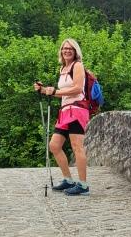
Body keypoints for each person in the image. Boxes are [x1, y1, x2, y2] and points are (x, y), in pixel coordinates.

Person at [34, 38, 91, 196]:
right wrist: (43, 89)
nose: (67, 51)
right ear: (61, 51)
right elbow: (61, 93)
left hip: (77, 110)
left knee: (77, 146)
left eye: (70, 49)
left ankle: (83, 185)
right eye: (64, 48)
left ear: (75, 51)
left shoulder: (77, 66)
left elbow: (78, 89)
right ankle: (68, 180)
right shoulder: (63, 68)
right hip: (65, 111)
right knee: (54, 146)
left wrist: (55, 92)